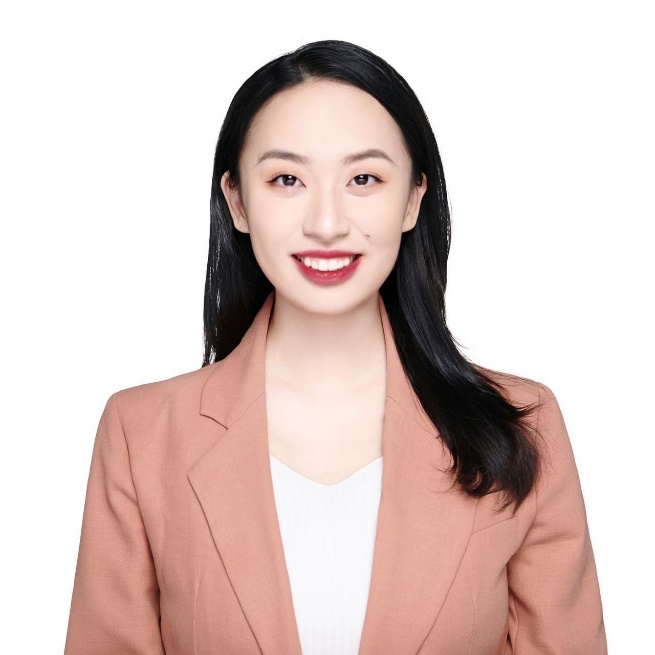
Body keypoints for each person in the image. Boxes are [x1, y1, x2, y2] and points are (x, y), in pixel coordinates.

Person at [64, 40, 607, 654]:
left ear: (413, 199)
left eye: (363, 178)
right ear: (237, 201)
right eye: (287, 179)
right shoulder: (141, 434)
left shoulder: (522, 424)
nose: (326, 223)